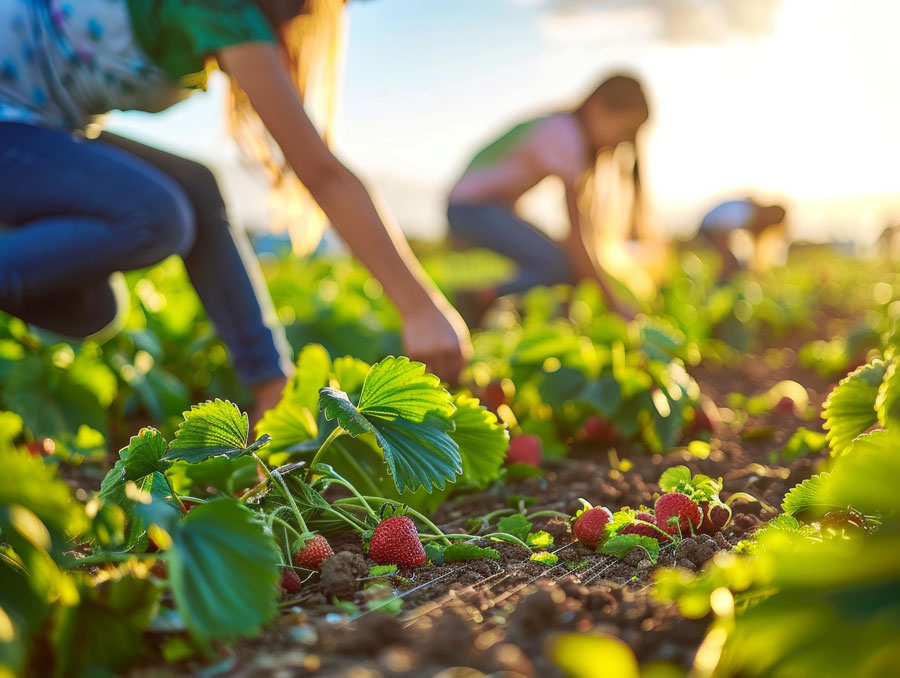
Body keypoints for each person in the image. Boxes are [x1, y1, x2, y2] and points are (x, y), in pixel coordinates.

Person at [0, 0, 471, 422]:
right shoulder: (218, 7)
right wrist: (419, 307)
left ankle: (272, 390)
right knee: (153, 216)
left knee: (94, 303)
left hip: (33, 129)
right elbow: (321, 172)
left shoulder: (238, 18)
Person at [446, 74, 650, 322]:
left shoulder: (565, 132)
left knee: (559, 262)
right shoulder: (565, 133)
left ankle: (526, 312)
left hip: (486, 208)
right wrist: (613, 303)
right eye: (625, 130)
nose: (622, 142)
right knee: (558, 265)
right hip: (469, 209)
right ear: (598, 107)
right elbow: (577, 237)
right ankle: (479, 298)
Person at [695, 199, 787, 282]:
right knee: (732, 263)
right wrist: (727, 260)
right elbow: (720, 231)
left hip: (719, 230)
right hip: (709, 228)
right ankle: (718, 288)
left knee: (740, 264)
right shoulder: (745, 212)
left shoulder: (753, 216)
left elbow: (755, 255)